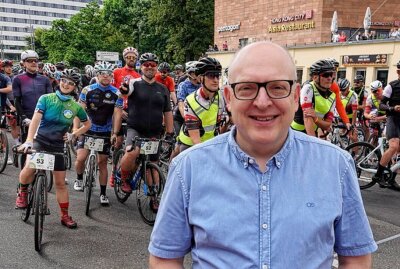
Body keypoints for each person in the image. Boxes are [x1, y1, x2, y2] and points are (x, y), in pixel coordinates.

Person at [148, 41, 377, 268]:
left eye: (277, 87)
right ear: (228, 98)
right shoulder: (187, 169)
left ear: (295, 96)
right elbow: (165, 258)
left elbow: (356, 258)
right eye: (247, 88)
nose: (262, 102)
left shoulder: (336, 165)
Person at [15, 69, 91, 228]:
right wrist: (29, 140)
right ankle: (22, 192)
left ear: (75, 87)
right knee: (29, 168)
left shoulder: (75, 106)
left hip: (58, 145)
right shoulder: (46, 98)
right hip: (40, 141)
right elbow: (35, 120)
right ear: (59, 81)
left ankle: (64, 216)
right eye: (64, 80)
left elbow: (87, 124)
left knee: (60, 184)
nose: (66, 84)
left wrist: (73, 134)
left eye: (71, 83)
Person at [118, 52, 173, 200]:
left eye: (153, 65)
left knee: (153, 164)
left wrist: (170, 133)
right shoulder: (133, 83)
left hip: (154, 131)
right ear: (141, 67)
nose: (150, 67)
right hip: (135, 128)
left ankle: (154, 197)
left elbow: (167, 112)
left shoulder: (163, 89)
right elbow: (124, 92)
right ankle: (123, 178)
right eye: (146, 65)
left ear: (156, 68)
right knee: (131, 152)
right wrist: (123, 89)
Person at [73, 61, 123, 206]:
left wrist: (115, 132)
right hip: (87, 129)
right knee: (81, 158)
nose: (106, 77)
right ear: (97, 75)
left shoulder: (116, 93)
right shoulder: (87, 90)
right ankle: (79, 178)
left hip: (105, 130)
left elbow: (117, 114)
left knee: (102, 163)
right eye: (102, 74)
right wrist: (76, 129)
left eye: (109, 74)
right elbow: (79, 110)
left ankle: (103, 193)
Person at [176, 57, 227, 153]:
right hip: (190, 143)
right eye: (211, 76)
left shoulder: (221, 97)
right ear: (200, 78)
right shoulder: (191, 101)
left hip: (210, 141)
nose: (216, 80)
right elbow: (196, 141)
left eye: (217, 75)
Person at [12, 50, 53, 165]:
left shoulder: (44, 79)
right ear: (23, 63)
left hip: (45, 118)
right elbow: (17, 101)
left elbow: (51, 100)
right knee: (28, 149)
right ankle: (24, 182)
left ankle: (45, 174)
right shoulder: (18, 79)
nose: (33, 63)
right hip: (28, 118)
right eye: (29, 61)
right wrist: (24, 118)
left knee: (47, 147)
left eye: (35, 61)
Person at [373, 61, 400, 190]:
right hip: (393, 119)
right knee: (394, 146)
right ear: (398, 72)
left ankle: (391, 179)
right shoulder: (392, 86)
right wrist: (393, 108)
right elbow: (381, 105)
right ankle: (378, 175)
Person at [291, 59, 336, 136]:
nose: (329, 78)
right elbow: (307, 118)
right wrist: (313, 144)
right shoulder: (308, 88)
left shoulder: (332, 96)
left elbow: (327, 125)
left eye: (331, 74)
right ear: (315, 77)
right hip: (296, 132)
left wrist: (315, 118)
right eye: (325, 75)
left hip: (312, 132)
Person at [338, 78, 358, 143]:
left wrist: (353, 125)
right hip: (342, 117)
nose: (342, 92)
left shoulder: (353, 95)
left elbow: (354, 112)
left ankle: (356, 153)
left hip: (351, 118)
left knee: (352, 137)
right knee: (340, 134)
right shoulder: (339, 94)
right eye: (341, 90)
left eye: (343, 90)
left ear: (348, 88)